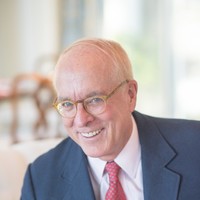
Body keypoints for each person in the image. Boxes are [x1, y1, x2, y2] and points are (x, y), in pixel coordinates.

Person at [21, 38, 200, 200]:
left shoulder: (194, 148)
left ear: (130, 95)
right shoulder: (40, 180)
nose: (81, 120)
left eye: (95, 100)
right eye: (67, 104)